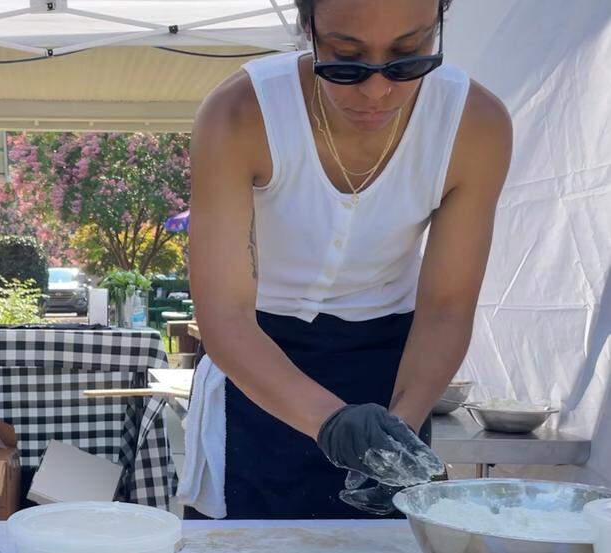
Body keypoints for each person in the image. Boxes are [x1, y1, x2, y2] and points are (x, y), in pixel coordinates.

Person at [186, 0, 512, 518]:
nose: (377, 90)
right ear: (307, 27)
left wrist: (398, 428)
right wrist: (332, 421)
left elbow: (447, 307)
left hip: (396, 371)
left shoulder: (475, 125)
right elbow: (223, 313)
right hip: (258, 366)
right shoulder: (242, 113)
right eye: (344, 60)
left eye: (409, 56)